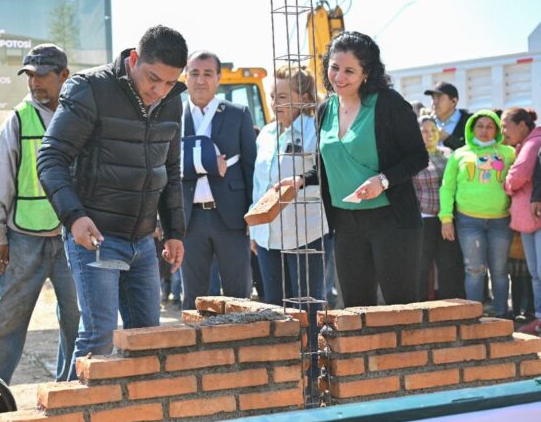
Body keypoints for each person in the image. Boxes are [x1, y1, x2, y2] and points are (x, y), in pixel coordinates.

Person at [37, 27, 187, 378]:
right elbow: (51, 157)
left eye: (169, 83)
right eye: (153, 79)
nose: (159, 91)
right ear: (134, 59)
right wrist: (73, 217)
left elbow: (170, 170)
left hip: (143, 241)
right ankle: (69, 419)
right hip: (96, 236)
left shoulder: (172, 100)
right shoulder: (90, 88)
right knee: (98, 338)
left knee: (145, 339)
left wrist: (175, 231)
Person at [284, 31, 428, 306]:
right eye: (334, 67)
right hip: (345, 224)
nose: (339, 77)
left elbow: (417, 157)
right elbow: (326, 164)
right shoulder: (325, 109)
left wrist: (383, 181)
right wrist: (301, 180)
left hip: (392, 221)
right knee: (355, 310)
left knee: (400, 309)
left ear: (367, 73)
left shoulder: (389, 104)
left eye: (349, 70)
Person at [0, 44, 80, 383]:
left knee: (78, 319)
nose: (35, 83)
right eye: (30, 76)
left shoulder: (82, 115)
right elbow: (0, 181)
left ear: (63, 75)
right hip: (23, 239)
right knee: (6, 319)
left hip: (72, 237)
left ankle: (72, 393)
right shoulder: (18, 119)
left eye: (42, 75)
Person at [251, 66, 328, 322]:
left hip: (307, 233)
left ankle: (313, 361)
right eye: (273, 96)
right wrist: (255, 229)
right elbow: (259, 185)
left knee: (307, 306)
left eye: (282, 97)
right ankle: (282, 361)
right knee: (273, 306)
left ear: (305, 97)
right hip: (268, 236)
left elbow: (322, 174)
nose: (274, 103)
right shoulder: (265, 135)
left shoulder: (315, 131)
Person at [180, 50, 256, 309]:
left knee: (238, 295)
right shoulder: (172, 117)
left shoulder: (238, 114)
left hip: (231, 218)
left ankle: (242, 347)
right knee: (194, 298)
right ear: (185, 77)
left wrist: (253, 215)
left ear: (218, 78)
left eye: (207, 74)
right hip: (190, 219)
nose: (201, 80)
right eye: (195, 74)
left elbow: (250, 167)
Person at [439, 110, 515, 317]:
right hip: (468, 221)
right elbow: (447, 188)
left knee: (499, 270)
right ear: (472, 129)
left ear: (497, 130)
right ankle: (474, 316)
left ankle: (501, 313)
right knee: (473, 269)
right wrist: (446, 218)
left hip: (500, 221)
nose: (484, 130)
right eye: (479, 126)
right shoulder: (459, 154)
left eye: (490, 126)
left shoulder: (509, 153)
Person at [412, 116, 465, 300]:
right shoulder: (413, 157)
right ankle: (417, 308)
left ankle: (449, 306)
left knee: (448, 265)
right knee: (421, 266)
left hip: (447, 218)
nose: (430, 135)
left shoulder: (448, 153)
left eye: (433, 130)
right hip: (423, 218)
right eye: (424, 131)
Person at [502, 108, 541, 332]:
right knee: (535, 272)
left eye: (507, 126)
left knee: (538, 272)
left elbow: (518, 176)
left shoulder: (532, 144)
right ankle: (538, 318)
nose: (504, 132)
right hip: (528, 217)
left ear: (522, 125)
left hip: (533, 215)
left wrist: (507, 183)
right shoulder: (526, 144)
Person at [424, 82, 471, 150]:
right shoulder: (426, 122)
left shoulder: (469, 122)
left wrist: (447, 138)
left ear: (453, 101)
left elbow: (473, 151)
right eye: (433, 98)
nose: (434, 102)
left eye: (439, 97)